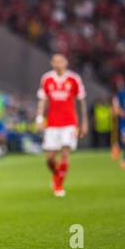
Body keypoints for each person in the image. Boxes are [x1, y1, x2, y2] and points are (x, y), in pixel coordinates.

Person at [36, 54, 88, 197]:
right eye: (55, 61)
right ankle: (56, 174)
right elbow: (42, 100)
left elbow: (81, 101)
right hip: (52, 123)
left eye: (60, 61)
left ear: (66, 62)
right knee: (49, 158)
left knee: (65, 152)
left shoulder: (74, 79)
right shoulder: (47, 79)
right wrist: (39, 118)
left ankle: (59, 185)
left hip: (69, 122)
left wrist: (84, 122)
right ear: (52, 64)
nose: (58, 63)